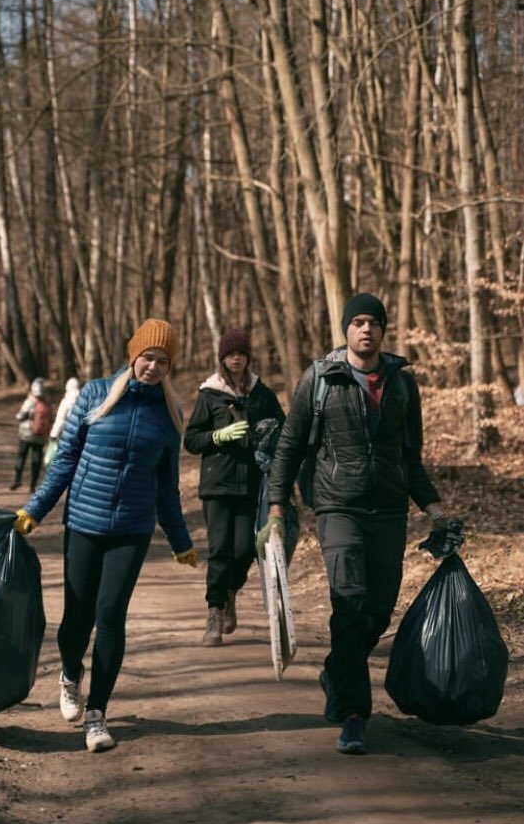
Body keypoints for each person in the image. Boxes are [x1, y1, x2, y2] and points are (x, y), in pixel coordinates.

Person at [257, 293, 465, 756]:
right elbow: (289, 448)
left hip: (389, 512)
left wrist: (436, 511)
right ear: (346, 330)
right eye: (358, 322)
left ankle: (336, 669)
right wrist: (276, 508)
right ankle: (354, 715)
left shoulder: (403, 386)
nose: (365, 329)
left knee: (378, 610)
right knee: (349, 603)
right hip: (337, 509)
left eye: (373, 322)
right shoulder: (321, 379)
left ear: (383, 331)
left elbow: (411, 459)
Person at [13, 318, 198, 753]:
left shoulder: (170, 415)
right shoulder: (95, 395)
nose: (153, 367)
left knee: (111, 614)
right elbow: (64, 461)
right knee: (78, 617)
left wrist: (180, 540)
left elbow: (166, 488)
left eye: (163, 361)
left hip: (132, 531)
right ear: (133, 355)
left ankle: (97, 715)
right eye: (148, 357)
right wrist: (35, 510)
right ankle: (70, 674)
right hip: (83, 524)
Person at [184, 328, 285, 647]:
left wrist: (265, 436)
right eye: (230, 354)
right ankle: (214, 611)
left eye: (240, 353)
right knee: (219, 551)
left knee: (244, 550)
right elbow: (191, 440)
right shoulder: (209, 395)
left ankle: (229, 593)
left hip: (251, 484)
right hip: (217, 484)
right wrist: (217, 437)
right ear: (222, 359)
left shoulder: (262, 394)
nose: (236, 358)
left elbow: (282, 433)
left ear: (248, 357)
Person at [10, 379, 53, 492]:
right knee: (36, 459)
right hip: (41, 436)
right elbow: (51, 418)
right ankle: (32, 485)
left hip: (26, 434)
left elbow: (20, 416)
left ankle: (17, 479)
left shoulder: (30, 401)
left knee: (21, 456)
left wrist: (20, 417)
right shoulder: (47, 402)